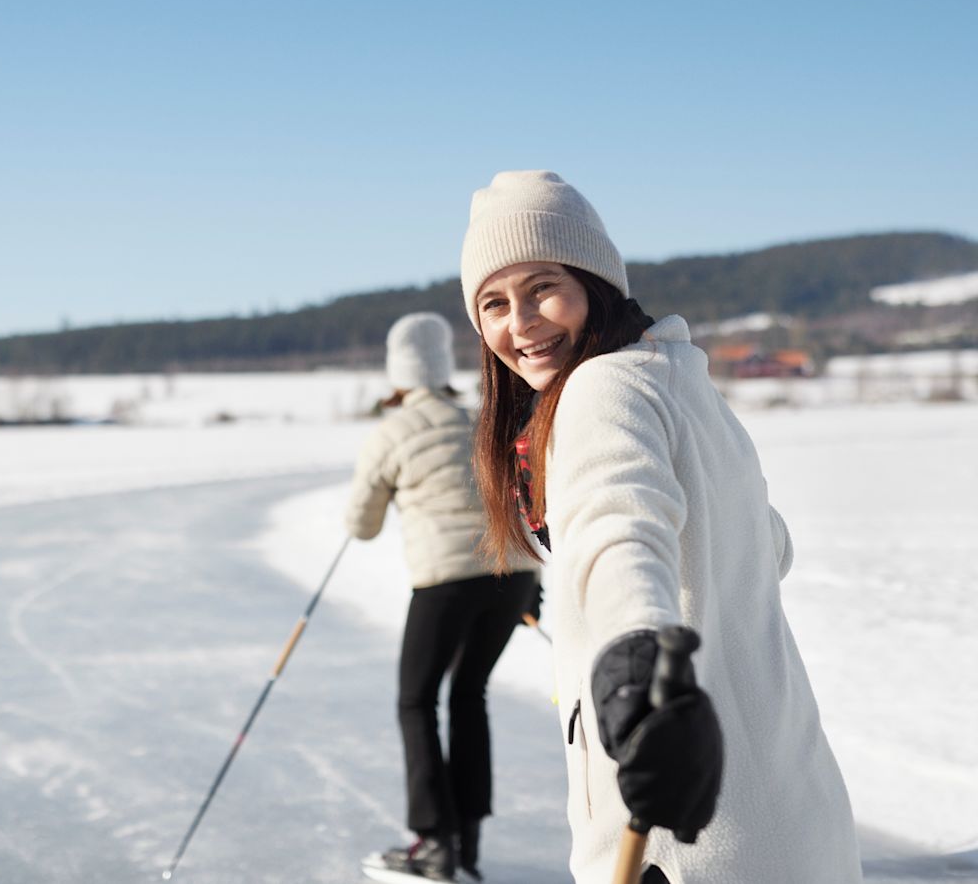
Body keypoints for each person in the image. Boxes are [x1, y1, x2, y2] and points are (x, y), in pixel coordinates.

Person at [459, 170, 863, 883]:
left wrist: (635, 662)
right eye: (494, 301)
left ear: (594, 281)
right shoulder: (678, 378)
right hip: (796, 819)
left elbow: (621, 527)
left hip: (689, 841)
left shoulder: (600, 387)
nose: (519, 322)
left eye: (542, 286)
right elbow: (767, 542)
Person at [346, 312, 542, 882]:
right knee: (469, 694)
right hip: (514, 575)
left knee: (417, 701)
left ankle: (434, 843)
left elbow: (361, 525)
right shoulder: (479, 419)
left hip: (447, 581)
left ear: (398, 374)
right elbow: (520, 501)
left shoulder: (392, 431)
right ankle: (467, 844)